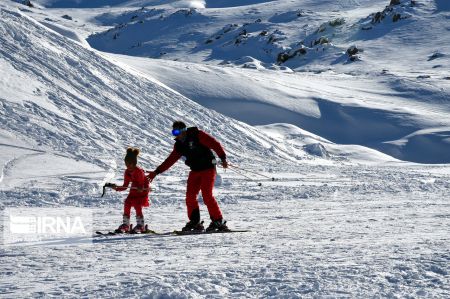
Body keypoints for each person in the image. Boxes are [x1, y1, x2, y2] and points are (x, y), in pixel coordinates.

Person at [147, 121, 229, 232]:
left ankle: (218, 220)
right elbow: (170, 160)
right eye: (173, 132)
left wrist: (223, 158)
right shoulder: (179, 145)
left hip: (208, 168)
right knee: (190, 197)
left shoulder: (197, 135)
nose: (176, 135)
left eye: (177, 131)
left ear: (184, 130)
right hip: (195, 170)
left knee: (207, 195)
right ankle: (195, 222)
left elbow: (214, 144)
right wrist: (156, 172)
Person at [111, 147, 150, 233]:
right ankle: (126, 225)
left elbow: (140, 184)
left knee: (137, 203)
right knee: (127, 202)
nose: (128, 166)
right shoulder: (127, 172)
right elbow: (125, 186)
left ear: (134, 163)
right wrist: (117, 188)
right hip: (134, 188)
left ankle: (141, 225)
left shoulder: (139, 171)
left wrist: (140, 188)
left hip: (142, 188)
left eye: (129, 164)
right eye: (126, 164)